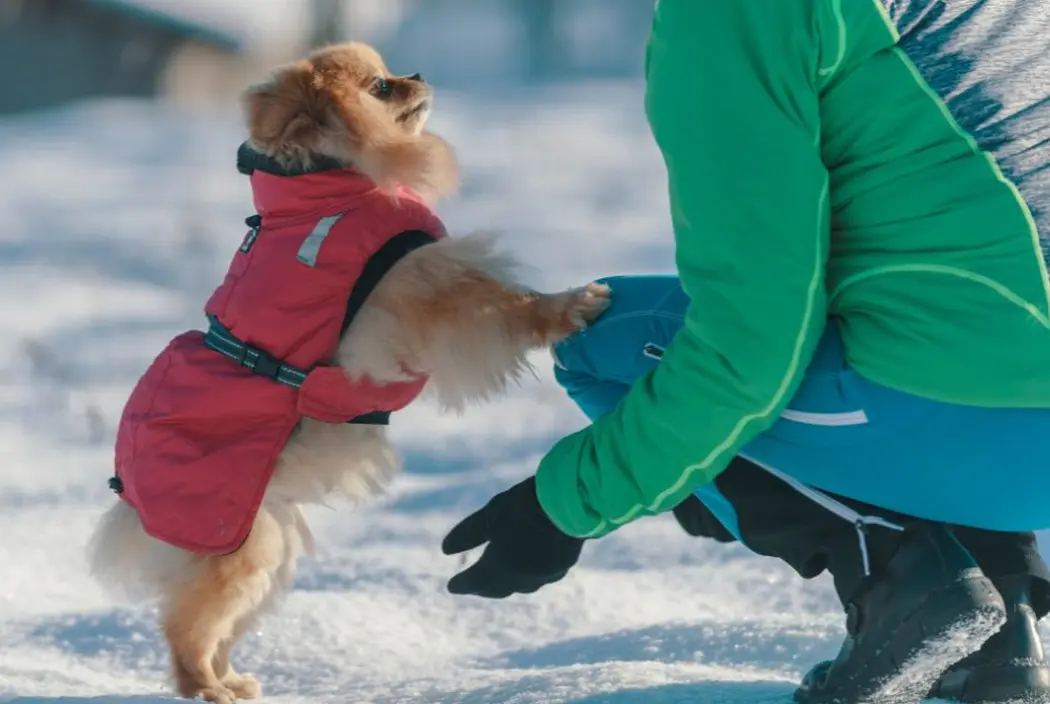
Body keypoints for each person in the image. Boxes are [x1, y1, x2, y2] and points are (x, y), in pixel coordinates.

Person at [440, 0, 1050, 702]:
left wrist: (562, 507)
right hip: (1020, 442)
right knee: (938, 304)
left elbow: (749, 349)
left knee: (599, 335)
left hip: (969, 415)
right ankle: (1005, 619)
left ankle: (899, 575)